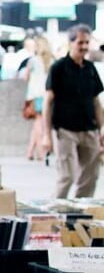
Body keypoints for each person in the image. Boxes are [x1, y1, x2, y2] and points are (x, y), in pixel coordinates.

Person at [41, 24, 103, 198]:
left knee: (90, 177)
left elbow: (96, 101)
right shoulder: (59, 68)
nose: (83, 46)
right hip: (65, 130)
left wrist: (102, 127)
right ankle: (54, 213)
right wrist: (46, 135)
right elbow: (47, 103)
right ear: (70, 43)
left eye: (86, 43)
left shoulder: (90, 68)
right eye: (80, 42)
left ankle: (81, 215)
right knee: (67, 176)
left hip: (89, 130)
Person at [23, 35, 54, 162]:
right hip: (47, 94)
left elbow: (26, 77)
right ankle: (30, 151)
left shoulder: (33, 61)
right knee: (41, 121)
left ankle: (40, 152)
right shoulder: (52, 61)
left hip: (34, 94)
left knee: (38, 123)